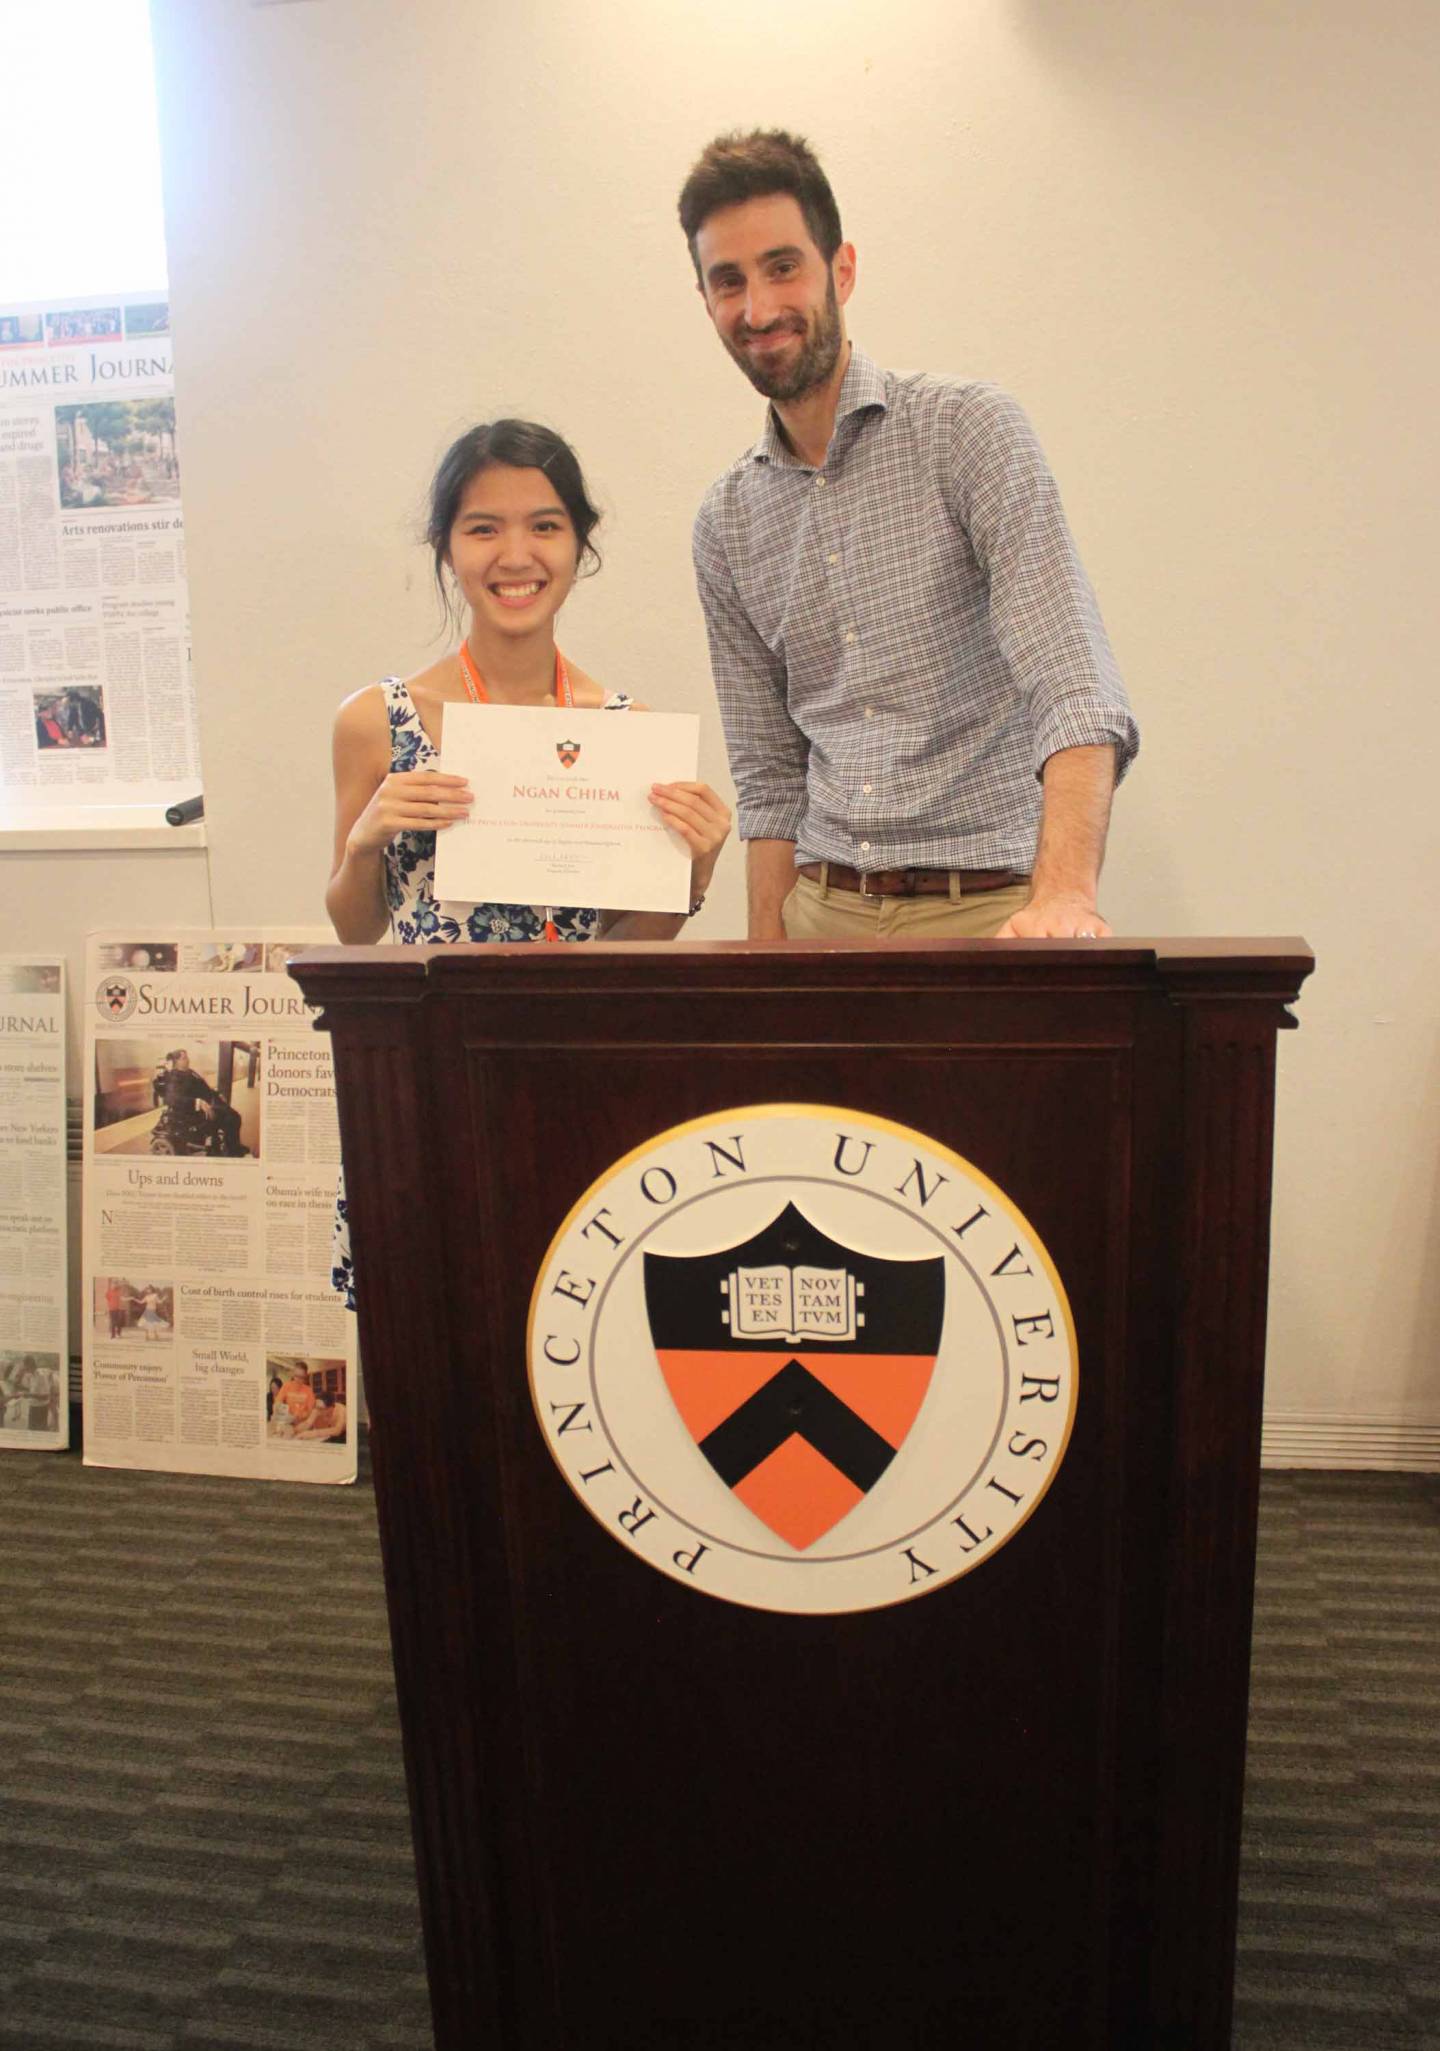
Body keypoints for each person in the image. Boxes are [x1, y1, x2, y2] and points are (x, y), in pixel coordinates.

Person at [678, 130, 1139, 943]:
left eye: (783, 267)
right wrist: (763, 970)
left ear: (841, 269)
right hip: (819, 912)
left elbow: (1074, 684)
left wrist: (1064, 897)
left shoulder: (966, 430)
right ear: (707, 300)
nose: (758, 309)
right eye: (728, 281)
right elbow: (770, 779)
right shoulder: (725, 522)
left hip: (991, 908)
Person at [325, 418, 731, 1308]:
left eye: (545, 524)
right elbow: (355, 927)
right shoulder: (378, 718)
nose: (516, 554)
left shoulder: (629, 733)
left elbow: (624, 951)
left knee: (569, 1330)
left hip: (570, 1074)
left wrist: (690, 876)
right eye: (483, 527)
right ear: (447, 546)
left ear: (580, 544)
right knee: (425, 1334)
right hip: (427, 1076)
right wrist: (368, 840)